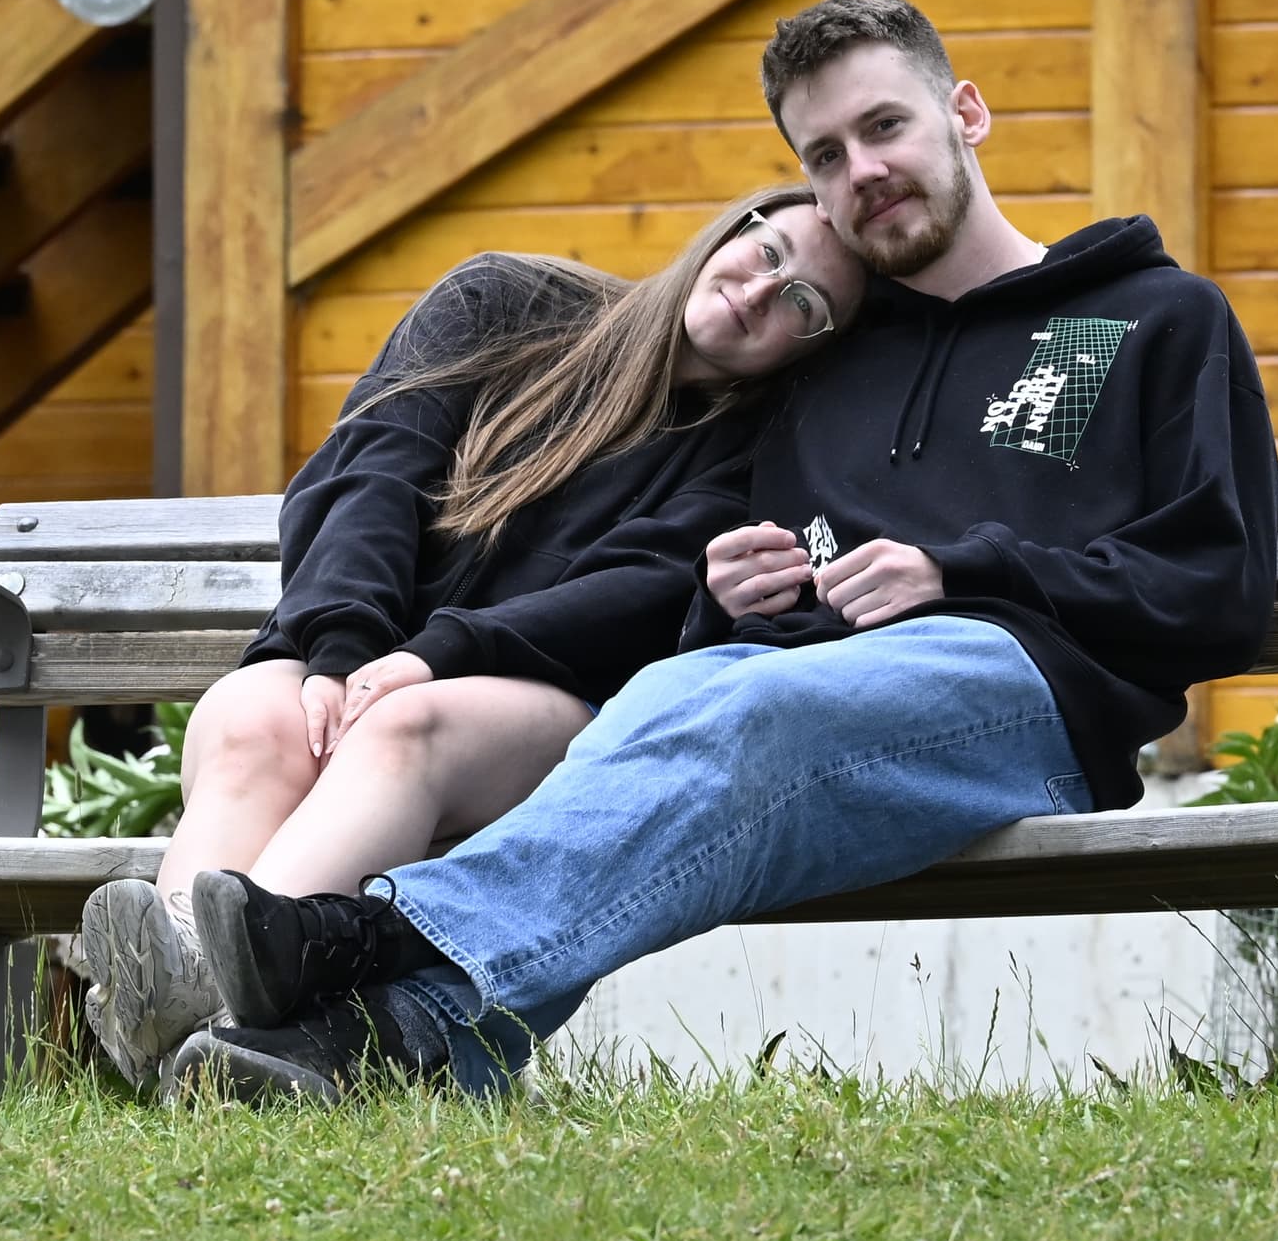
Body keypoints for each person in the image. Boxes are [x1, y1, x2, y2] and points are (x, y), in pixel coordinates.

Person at [162, 0, 1278, 1099]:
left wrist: (962, 570)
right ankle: (388, 1039)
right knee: (676, 702)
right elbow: (688, 592)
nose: (863, 170)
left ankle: (360, 935)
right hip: (784, 694)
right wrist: (725, 598)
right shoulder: (825, 369)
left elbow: (1214, 585)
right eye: (826, 155)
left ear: (967, 114)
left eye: (885, 126)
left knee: (751, 709)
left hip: (1017, 690)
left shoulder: (1147, 317)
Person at [66, 186, 871, 1083]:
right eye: (769, 252)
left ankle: (207, 1021)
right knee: (254, 715)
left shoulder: (759, 452)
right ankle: (182, 982)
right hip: (365, 646)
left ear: (818, 347)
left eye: (804, 304)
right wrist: (342, 648)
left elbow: (631, 596)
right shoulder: (500, 303)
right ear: (733, 227)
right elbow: (371, 470)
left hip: (548, 701)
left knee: (403, 725)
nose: (760, 293)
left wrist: (434, 656)